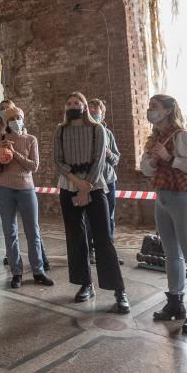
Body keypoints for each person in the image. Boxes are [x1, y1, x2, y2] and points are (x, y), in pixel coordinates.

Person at [140, 94, 187, 333]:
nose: (150, 110)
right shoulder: (154, 138)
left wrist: (170, 158)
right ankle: (175, 303)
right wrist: (152, 161)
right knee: (171, 255)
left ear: (168, 111)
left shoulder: (182, 136)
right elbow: (146, 170)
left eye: (154, 106)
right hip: (162, 198)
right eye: (149, 106)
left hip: (184, 199)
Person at [54, 92, 129, 313]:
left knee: (104, 238)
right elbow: (58, 161)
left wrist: (86, 187)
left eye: (77, 102)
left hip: (95, 186)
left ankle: (119, 290)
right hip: (69, 186)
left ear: (85, 106)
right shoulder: (60, 131)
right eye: (69, 103)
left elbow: (99, 160)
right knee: (76, 238)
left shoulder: (98, 129)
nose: (73, 105)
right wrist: (78, 184)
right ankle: (85, 284)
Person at [0, 103, 53, 288]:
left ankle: (38, 270)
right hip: (3, 189)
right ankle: (16, 272)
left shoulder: (30, 139)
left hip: (26, 188)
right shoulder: (0, 138)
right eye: (11, 119)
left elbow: (33, 166)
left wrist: (15, 153)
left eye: (18, 118)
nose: (15, 121)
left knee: (33, 231)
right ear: (6, 122)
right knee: (10, 231)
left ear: (23, 119)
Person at [87, 98, 122, 265]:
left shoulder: (108, 134)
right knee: (89, 218)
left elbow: (116, 158)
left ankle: (108, 251)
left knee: (109, 218)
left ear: (103, 113)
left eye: (96, 109)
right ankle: (90, 251)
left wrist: (109, 155)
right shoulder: (82, 133)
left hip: (108, 180)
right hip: (91, 182)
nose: (92, 111)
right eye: (89, 109)